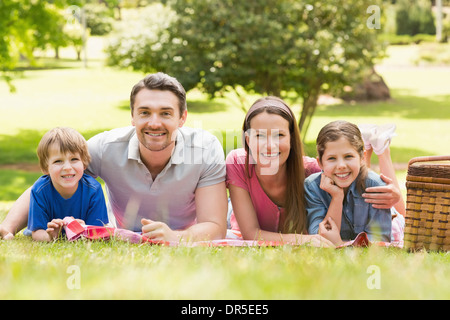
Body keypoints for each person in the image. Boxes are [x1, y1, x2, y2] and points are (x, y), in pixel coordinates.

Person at [0, 72, 228, 242]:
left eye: (166, 113)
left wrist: (175, 238)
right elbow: (49, 182)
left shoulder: (205, 149)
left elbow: (216, 227)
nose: (154, 123)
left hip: (187, 231)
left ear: (182, 118)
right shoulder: (105, 147)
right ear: (132, 117)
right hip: (122, 227)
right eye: (145, 112)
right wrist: (8, 228)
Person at [225, 97, 403, 247]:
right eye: (259, 136)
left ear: (292, 138)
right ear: (247, 140)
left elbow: (355, 177)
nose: (270, 146)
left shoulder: (311, 170)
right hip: (235, 213)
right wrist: (308, 240)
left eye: (279, 135)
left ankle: (379, 148)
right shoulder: (238, 163)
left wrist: (394, 196)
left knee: (396, 220)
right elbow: (251, 234)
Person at [305, 120, 395, 246]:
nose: (341, 165)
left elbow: (380, 241)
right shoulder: (312, 186)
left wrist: (340, 243)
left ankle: (382, 148)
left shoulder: (375, 185)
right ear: (320, 163)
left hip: (395, 224)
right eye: (332, 158)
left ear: (362, 157)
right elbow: (320, 239)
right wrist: (337, 197)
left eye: (348, 156)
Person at [27, 127, 108, 242]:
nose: (68, 167)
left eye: (74, 159)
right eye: (58, 161)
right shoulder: (40, 190)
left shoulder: (93, 190)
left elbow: (99, 232)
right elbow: (37, 232)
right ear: (46, 168)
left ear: (84, 163)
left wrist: (84, 230)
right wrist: (51, 236)